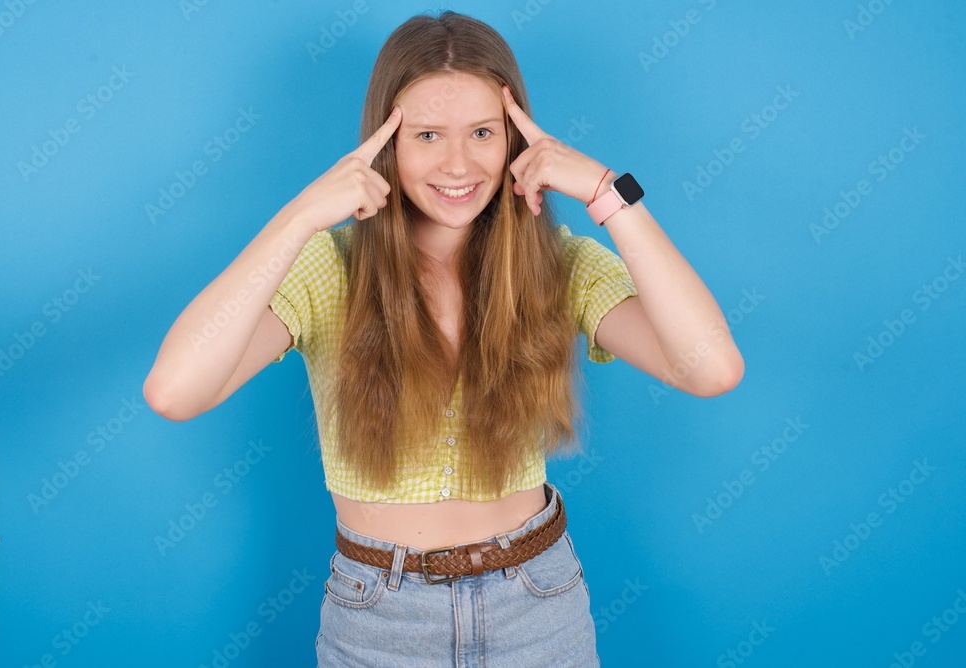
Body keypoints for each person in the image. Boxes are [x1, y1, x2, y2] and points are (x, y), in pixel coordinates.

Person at [143, 10, 743, 666]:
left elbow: (709, 368)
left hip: (539, 602)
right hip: (379, 615)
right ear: (385, 142)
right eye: (427, 134)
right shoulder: (327, 268)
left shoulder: (558, 266)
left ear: (514, 141)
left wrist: (609, 195)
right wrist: (299, 217)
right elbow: (175, 391)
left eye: (483, 132)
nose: (458, 164)